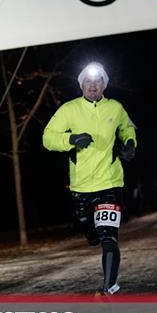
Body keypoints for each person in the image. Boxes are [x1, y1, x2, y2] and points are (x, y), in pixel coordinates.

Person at [42, 62, 136, 296]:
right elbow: (48, 138)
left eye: (97, 81)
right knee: (91, 234)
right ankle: (92, 232)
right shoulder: (69, 109)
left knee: (108, 237)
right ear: (81, 85)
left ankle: (109, 286)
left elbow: (128, 128)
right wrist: (71, 140)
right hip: (81, 185)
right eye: (88, 81)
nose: (92, 85)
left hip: (110, 182)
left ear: (104, 85)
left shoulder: (115, 108)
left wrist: (130, 143)